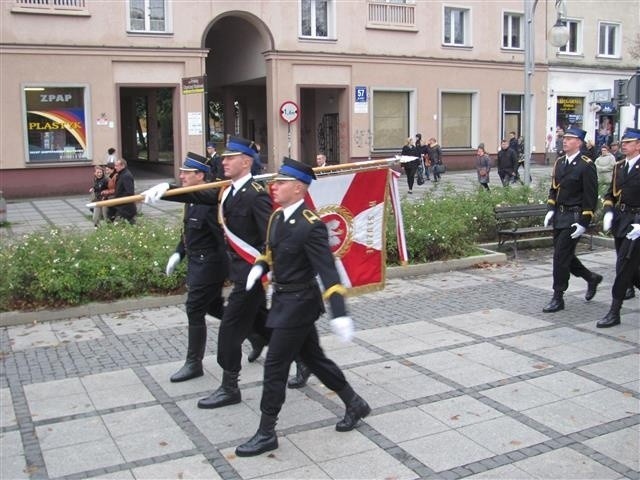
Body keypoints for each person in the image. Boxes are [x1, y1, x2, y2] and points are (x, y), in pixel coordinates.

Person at [235, 158, 370, 457]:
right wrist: (259, 267)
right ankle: (354, 403)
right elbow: (269, 252)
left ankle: (266, 432)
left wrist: (340, 312)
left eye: (280, 182)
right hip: (283, 300)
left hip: (300, 304)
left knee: (275, 366)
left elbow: (327, 271)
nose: (274, 186)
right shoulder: (277, 218)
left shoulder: (312, 226)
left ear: (298, 188)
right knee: (314, 358)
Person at [143, 136, 272, 407]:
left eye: (229, 157)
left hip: (247, 275)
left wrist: (262, 265)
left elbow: (269, 237)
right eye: (223, 157)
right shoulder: (226, 192)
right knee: (263, 325)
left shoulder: (255, 195)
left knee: (229, 329)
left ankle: (229, 387)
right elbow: (201, 195)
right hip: (238, 273)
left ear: (246, 161)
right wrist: (168, 189)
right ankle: (302, 355)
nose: (222, 161)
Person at [164, 153, 229, 382]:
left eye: (186, 173)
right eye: (181, 172)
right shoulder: (189, 198)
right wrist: (178, 253)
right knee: (215, 308)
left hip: (210, 264)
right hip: (196, 262)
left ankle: (194, 363)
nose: (181, 176)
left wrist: (229, 272)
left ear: (200, 176)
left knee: (194, 308)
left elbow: (221, 240)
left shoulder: (210, 200)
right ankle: (256, 332)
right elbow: (188, 233)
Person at [542, 127, 602, 313]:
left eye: (569, 138)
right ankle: (591, 277)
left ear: (579, 143)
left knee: (560, 257)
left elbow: (590, 196)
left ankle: (558, 296)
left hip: (574, 217)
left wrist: (584, 222)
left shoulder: (586, 165)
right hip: (560, 216)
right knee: (565, 255)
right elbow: (554, 189)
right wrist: (550, 209)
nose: (565, 141)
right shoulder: (560, 162)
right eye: (564, 138)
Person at [598, 127, 640, 327]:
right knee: (631, 268)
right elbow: (610, 194)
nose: (623, 144)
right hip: (622, 220)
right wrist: (608, 212)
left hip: (637, 222)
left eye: (629, 142)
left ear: (638, 145)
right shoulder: (620, 166)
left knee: (623, 265)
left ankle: (614, 311)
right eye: (623, 142)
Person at [112, 158, 136, 224]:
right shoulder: (121, 174)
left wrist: (118, 199)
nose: (115, 167)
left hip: (125, 207)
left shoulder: (126, 176)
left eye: (117, 166)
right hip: (121, 205)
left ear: (123, 166)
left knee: (118, 224)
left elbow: (130, 192)